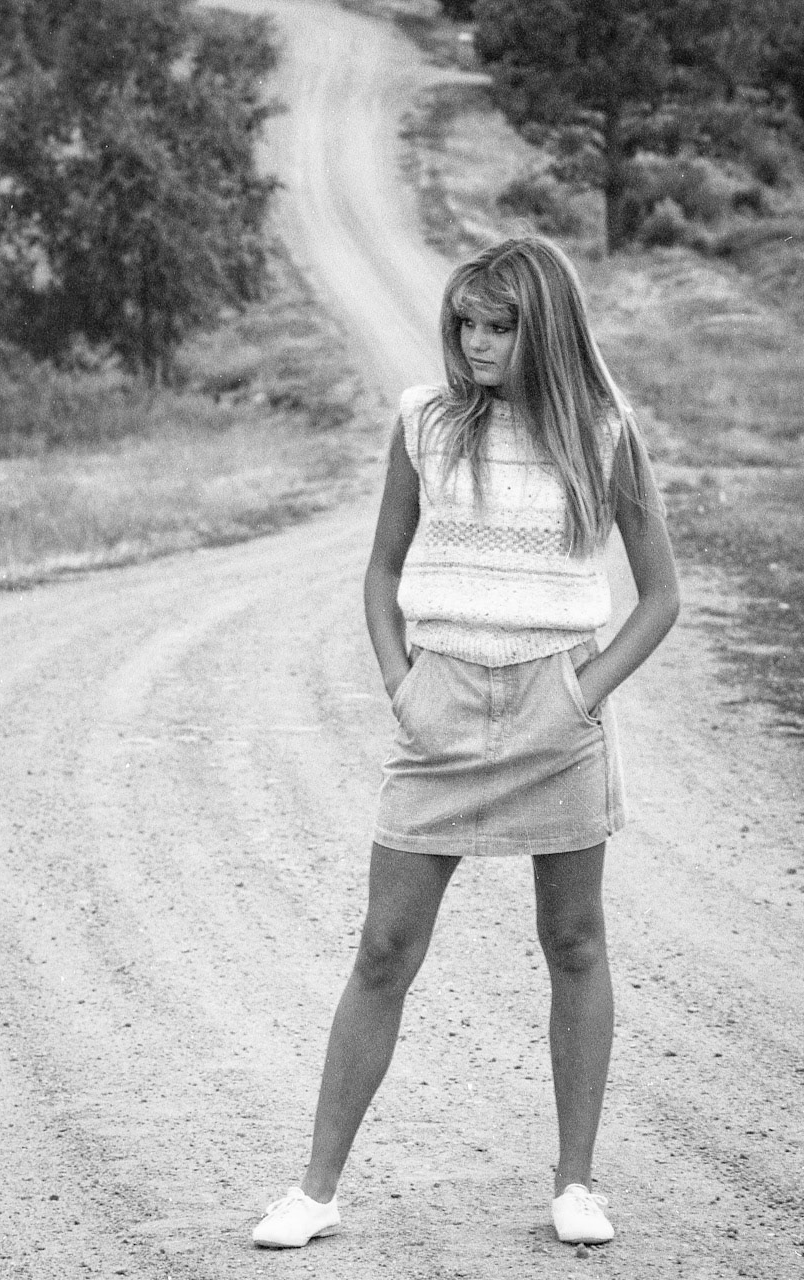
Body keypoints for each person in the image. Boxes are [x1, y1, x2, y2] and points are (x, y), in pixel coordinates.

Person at [252, 235, 680, 1250]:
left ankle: (575, 1186)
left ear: (548, 330)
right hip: (439, 705)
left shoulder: (604, 432)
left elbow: (660, 596)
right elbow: (380, 568)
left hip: (556, 710)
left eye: (500, 326)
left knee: (573, 942)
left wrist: (580, 694)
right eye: (466, 323)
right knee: (383, 948)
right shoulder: (426, 421)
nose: (476, 342)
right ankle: (314, 1190)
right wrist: (402, 685)